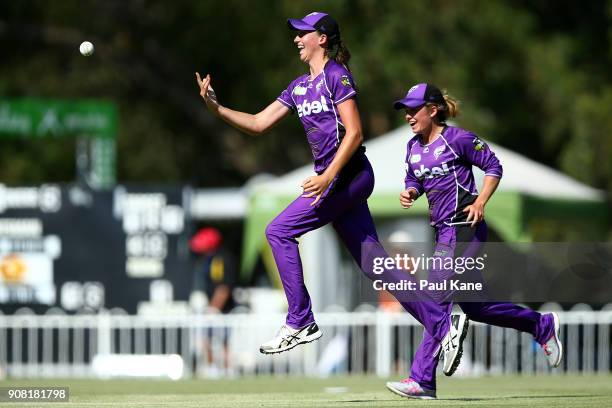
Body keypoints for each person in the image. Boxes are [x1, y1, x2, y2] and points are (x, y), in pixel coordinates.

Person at [194, 12, 465, 364]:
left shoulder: (337, 76)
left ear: (322, 38)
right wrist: (217, 108)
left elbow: (355, 133)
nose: (296, 39)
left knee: (277, 231)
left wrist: (325, 177)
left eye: (302, 33)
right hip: (336, 182)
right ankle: (444, 326)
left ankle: (300, 320)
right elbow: (259, 123)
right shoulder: (298, 87)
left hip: (348, 177)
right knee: (376, 265)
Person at [386, 83, 563, 399]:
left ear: (433, 109)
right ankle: (540, 325)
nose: (409, 115)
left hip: (465, 227)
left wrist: (481, 201)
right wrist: (411, 191)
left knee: (436, 297)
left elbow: (493, 166)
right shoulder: (412, 147)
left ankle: (422, 379)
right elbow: (414, 178)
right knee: (478, 308)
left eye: (414, 109)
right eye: (406, 110)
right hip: (443, 232)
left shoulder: (458, 139)